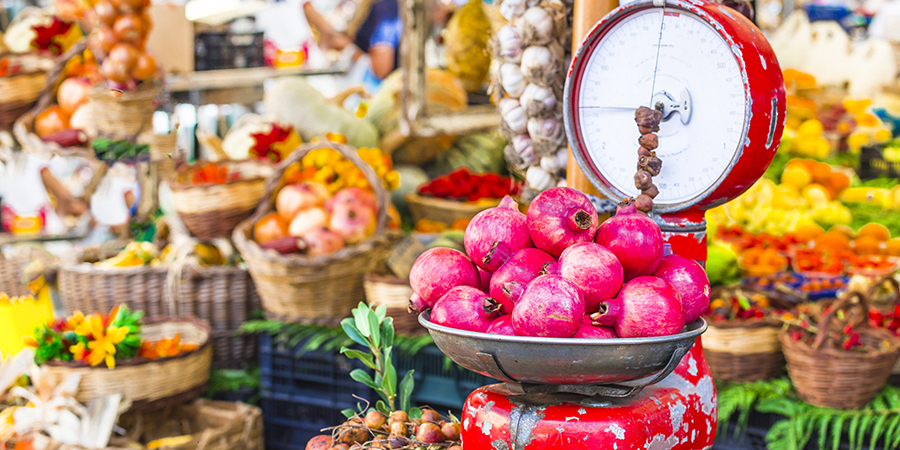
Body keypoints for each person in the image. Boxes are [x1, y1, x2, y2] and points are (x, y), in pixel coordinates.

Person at [303, 0, 402, 86]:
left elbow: (381, 69)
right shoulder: (372, 5)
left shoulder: (385, 10)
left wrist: (348, 47)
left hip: (370, 92)